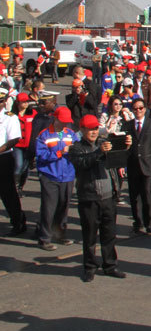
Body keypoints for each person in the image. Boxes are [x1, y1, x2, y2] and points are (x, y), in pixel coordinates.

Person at [68, 114, 131, 281]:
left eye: (95, 128)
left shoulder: (104, 143)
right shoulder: (76, 148)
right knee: (89, 236)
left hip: (108, 197)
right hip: (89, 198)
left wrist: (125, 146)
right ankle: (89, 267)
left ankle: (110, 265)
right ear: (82, 130)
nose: (93, 132)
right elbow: (82, 163)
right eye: (90, 129)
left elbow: (119, 159)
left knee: (109, 234)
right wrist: (98, 153)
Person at [34, 106, 79, 251]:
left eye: (67, 121)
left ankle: (59, 233)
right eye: (63, 121)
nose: (66, 124)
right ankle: (44, 238)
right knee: (49, 207)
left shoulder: (71, 134)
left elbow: (78, 150)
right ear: (56, 118)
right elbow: (41, 156)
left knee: (63, 206)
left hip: (67, 175)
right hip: (50, 176)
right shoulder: (44, 135)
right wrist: (60, 153)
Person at [124, 98, 151, 234]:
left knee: (147, 195)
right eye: (135, 108)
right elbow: (123, 148)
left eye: (140, 108)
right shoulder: (127, 125)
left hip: (148, 165)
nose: (138, 111)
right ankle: (138, 221)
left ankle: (148, 222)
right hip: (133, 165)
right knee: (134, 197)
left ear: (145, 109)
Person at [0, 86, 26, 236]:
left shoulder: (10, 117)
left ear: (4, 102)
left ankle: (18, 222)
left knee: (8, 193)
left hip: (3, 158)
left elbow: (14, 139)